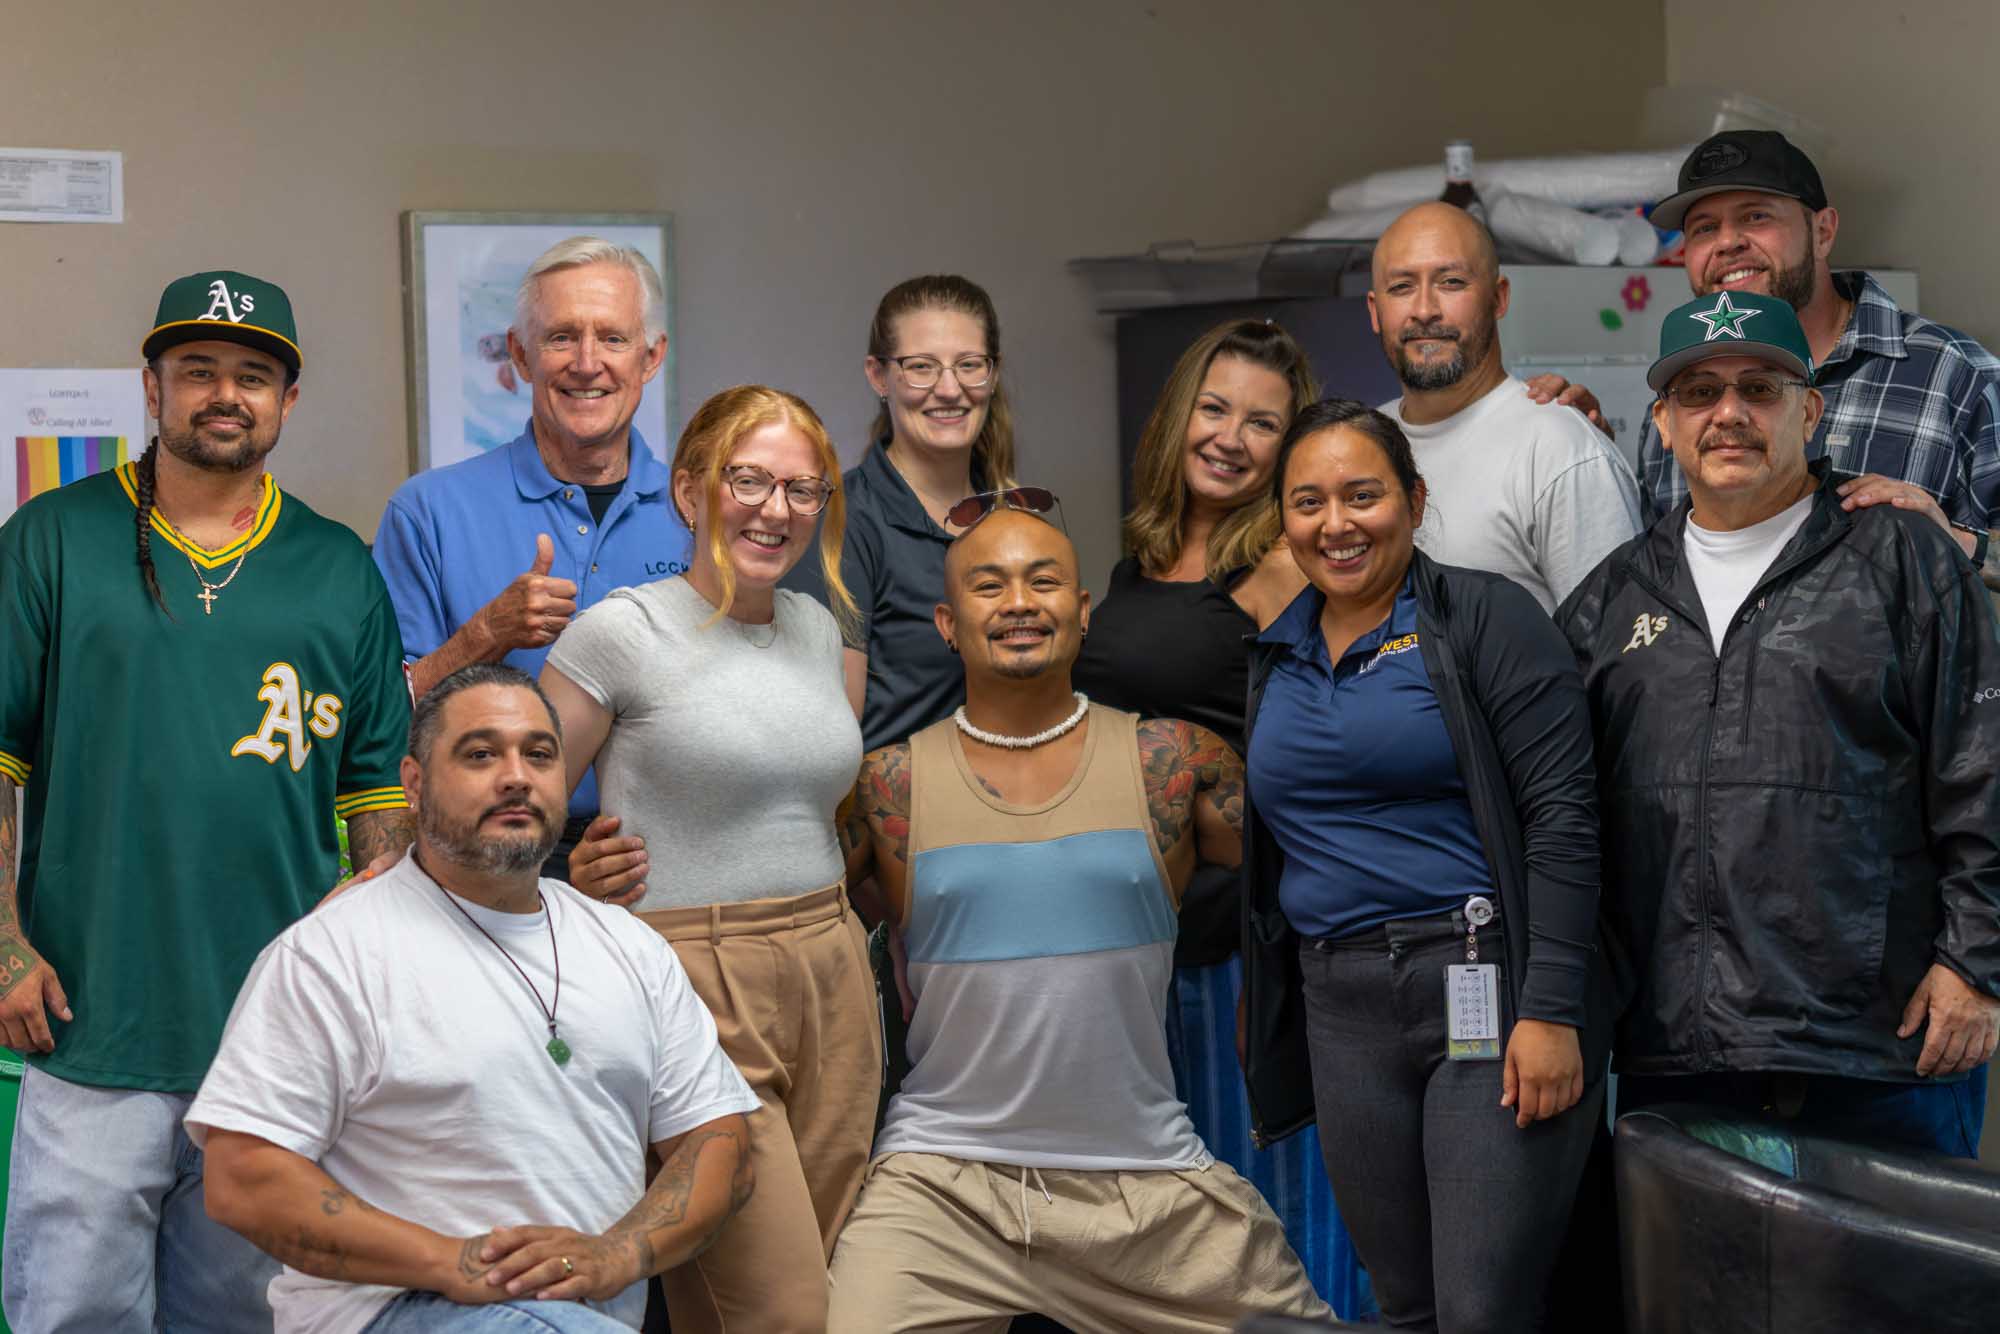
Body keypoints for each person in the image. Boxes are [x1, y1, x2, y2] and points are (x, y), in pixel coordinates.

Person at [0, 270, 416, 1332]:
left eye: (252, 373)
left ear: (286, 398)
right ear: (152, 388)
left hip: (275, 1041)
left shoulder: (336, 566)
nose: (223, 394)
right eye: (197, 371)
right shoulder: (51, 538)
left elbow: (381, 806)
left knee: (247, 1319)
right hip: (92, 1018)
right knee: (77, 1313)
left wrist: (371, 974)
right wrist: (2, 944)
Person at [826, 501, 1331, 1333]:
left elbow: (1322, 864)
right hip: (942, 1187)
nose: (1020, 602)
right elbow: (784, 910)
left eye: (1044, 580)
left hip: (1146, 1185)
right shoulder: (887, 787)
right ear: (949, 623)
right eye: (990, 586)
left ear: (1084, 611)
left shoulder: (1174, 760)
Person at [188, 664, 759, 1333]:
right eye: (480, 754)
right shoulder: (332, 953)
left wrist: (618, 1252)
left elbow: (720, 1141)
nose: (516, 775)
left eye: (540, 755)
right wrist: (453, 1264)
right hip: (393, 1311)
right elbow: (242, 1177)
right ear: (414, 783)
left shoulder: (628, 947)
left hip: (582, 1316)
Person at [1559, 290, 2000, 1156]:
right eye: (1699, 393)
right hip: (1676, 1052)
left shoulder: (1904, 558)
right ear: (1662, 423)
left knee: (1888, 1293)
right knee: (1695, 1296)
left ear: (1810, 409)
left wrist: (1977, 966)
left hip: (1881, 1046)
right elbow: (1564, 822)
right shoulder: (1610, 599)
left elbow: (1981, 766)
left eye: (1759, 388)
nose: (1729, 413)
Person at [1239, 397, 1614, 1333]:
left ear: (1413, 498)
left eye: (1362, 496)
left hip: (1479, 986)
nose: (1337, 525)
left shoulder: (1485, 617)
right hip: (1341, 1004)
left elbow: (1564, 818)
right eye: (1308, 503)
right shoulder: (1273, 654)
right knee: (1402, 1304)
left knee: (1481, 1310)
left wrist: (1554, 1010)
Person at [541, 386, 877, 1333]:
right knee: (775, 1310)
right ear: (691, 492)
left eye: (804, 490)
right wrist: (576, 880)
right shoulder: (621, 633)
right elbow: (509, 822)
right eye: (750, 480)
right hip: (695, 980)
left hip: (832, 969)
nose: (777, 509)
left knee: (813, 1287)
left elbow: (809, 801)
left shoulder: (820, 632)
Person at [1072, 317, 1369, 1314]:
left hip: (1235, 942)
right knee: (1163, 1217)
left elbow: (1332, 749)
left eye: (1260, 423)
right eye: (1214, 408)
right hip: (1130, 935)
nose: (1229, 437)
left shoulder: (1282, 565)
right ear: (1177, 416)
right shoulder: (1137, 559)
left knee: (1264, 1219)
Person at [372, 236, 692, 877]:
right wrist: (487, 635)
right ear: (520, 354)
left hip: (669, 862)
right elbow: (378, 720)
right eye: (560, 337)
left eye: (613, 338)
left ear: (651, 356)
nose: (587, 362)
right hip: (487, 859)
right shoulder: (429, 511)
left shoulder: (700, 516)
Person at [1638, 130, 2000, 596]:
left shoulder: (1956, 374)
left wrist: (1955, 541)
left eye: (1755, 216)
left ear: (1823, 232)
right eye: (1704, 228)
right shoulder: (1680, 407)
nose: (1728, 242)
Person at [1369, 201, 1643, 614]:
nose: (1424, 310)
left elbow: (1620, 657)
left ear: (1498, 298)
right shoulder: (1362, 443)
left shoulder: (1560, 450)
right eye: (1402, 287)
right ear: (1375, 311)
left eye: (1452, 282)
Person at [784, 273, 1017, 751]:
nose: (950, 389)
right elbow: (827, 742)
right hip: (892, 814)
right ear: (878, 375)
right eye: (921, 367)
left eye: (969, 364)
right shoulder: (840, 523)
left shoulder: (1014, 520)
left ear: (992, 374)